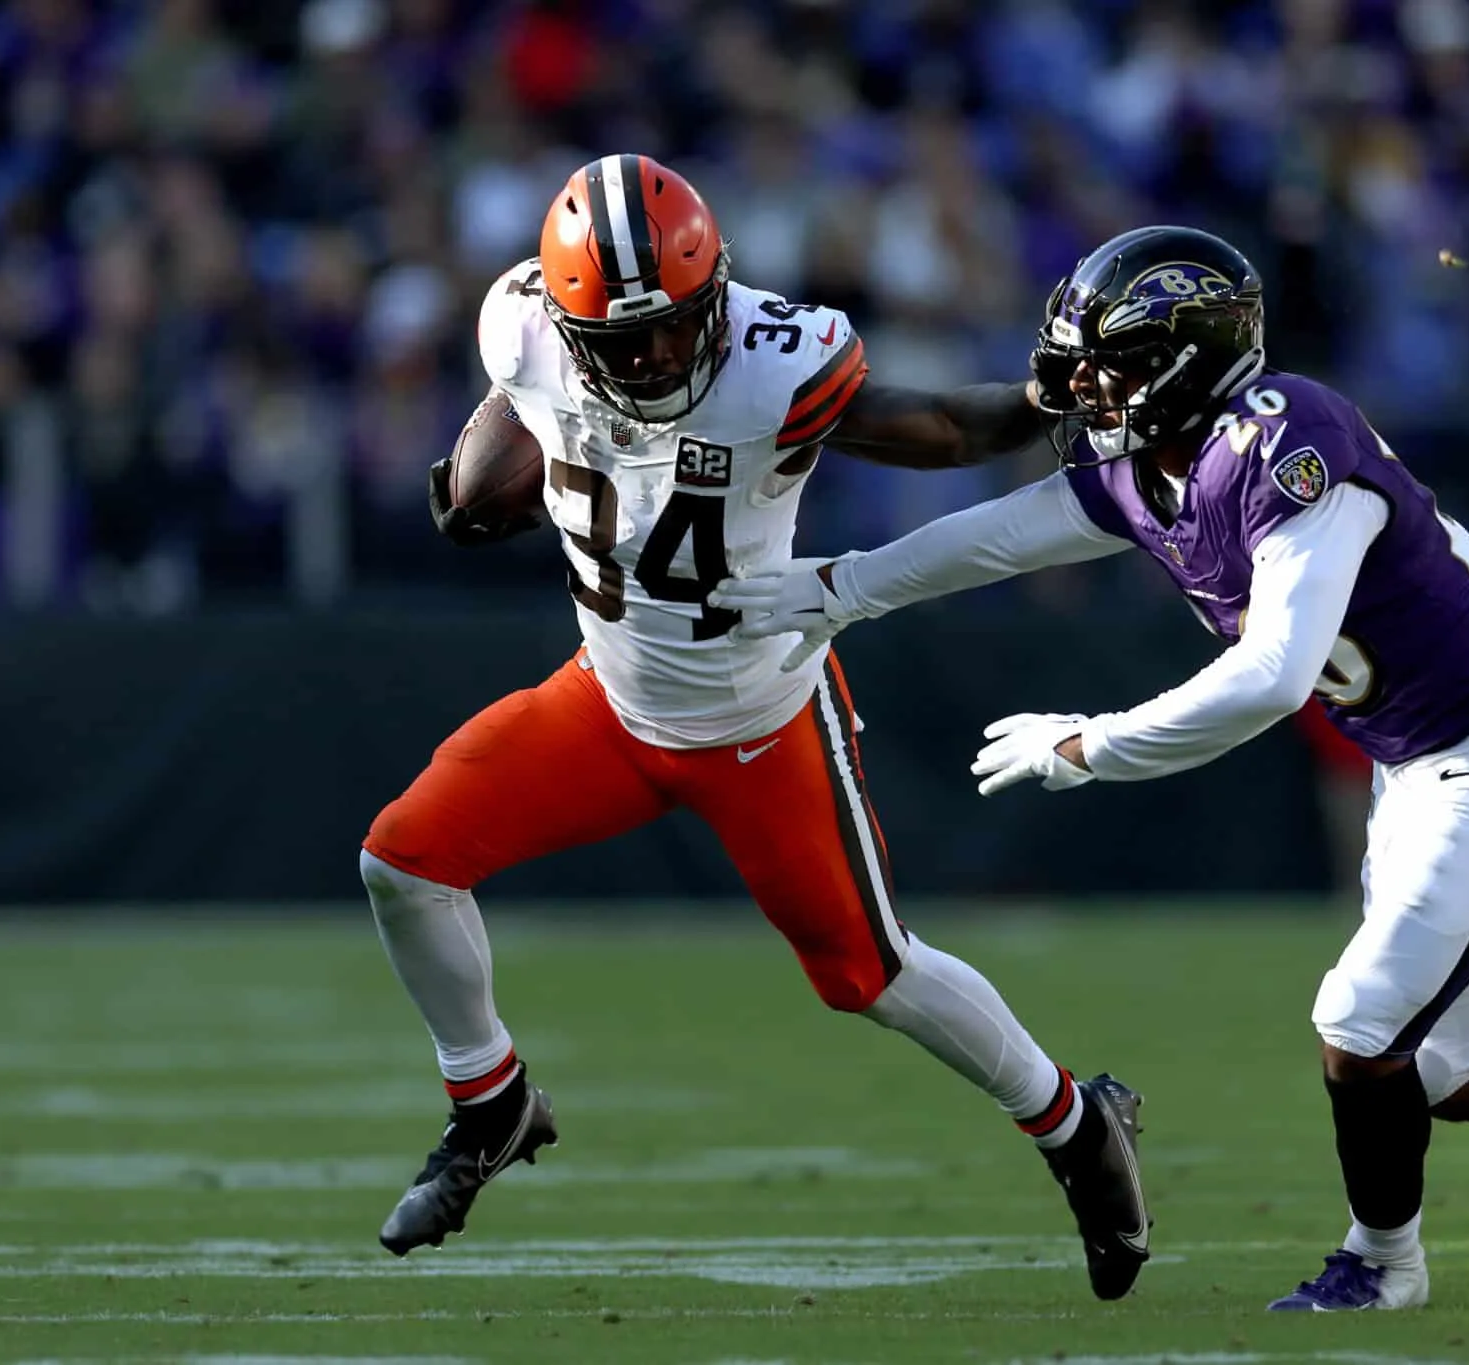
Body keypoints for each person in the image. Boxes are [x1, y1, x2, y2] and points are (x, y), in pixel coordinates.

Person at [712, 225, 1469, 1311]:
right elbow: (1006, 534)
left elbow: (1273, 677)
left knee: (1358, 1024)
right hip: (1416, 760)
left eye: (1103, 368)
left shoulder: (1282, 447)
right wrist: (840, 589)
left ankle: (1383, 1263)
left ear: (1178, 367)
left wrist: (1088, 744)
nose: (1078, 394)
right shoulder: (1158, 463)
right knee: (1448, 1080)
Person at [358, 155, 1150, 1302]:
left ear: (715, 291)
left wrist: (1044, 401)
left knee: (868, 974)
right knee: (403, 860)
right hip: (609, 698)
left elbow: (928, 424)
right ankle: (489, 1103)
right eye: (617, 344)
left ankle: (1079, 1126)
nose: (650, 360)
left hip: (759, 716)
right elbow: (493, 456)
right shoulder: (524, 330)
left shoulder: (776, 360)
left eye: (671, 332)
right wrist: (486, 471)